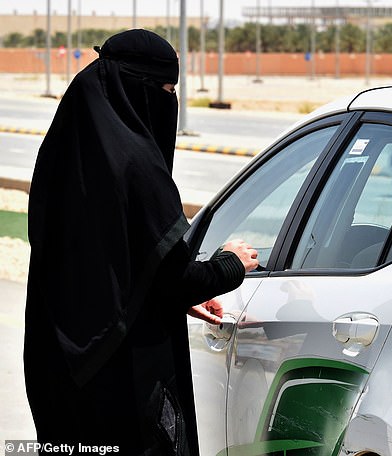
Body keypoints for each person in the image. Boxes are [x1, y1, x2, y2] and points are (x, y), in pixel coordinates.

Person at [23, 29, 258, 455]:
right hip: (124, 380)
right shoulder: (138, 167)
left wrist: (158, 290)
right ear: (141, 90)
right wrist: (232, 264)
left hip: (58, 369)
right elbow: (178, 276)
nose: (172, 101)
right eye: (168, 90)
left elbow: (100, 266)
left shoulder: (62, 155)